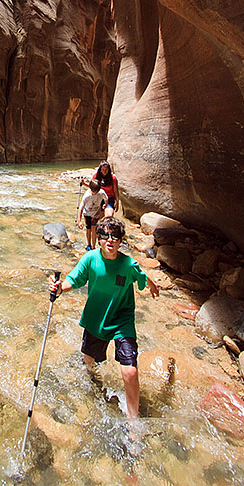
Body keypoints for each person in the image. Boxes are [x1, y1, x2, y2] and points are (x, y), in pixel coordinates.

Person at [49, 216, 159, 419]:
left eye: (115, 236)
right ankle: (94, 391)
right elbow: (74, 280)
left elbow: (142, 275)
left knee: (130, 371)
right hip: (96, 319)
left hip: (122, 321)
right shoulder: (90, 259)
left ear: (121, 240)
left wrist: (152, 284)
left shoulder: (128, 264)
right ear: (98, 238)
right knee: (90, 363)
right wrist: (59, 289)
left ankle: (133, 420)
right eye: (105, 236)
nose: (110, 240)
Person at [78, 179, 108, 250]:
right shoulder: (87, 196)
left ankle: (94, 247)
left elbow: (106, 199)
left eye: (97, 191)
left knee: (94, 229)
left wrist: (105, 205)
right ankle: (89, 244)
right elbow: (81, 208)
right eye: (94, 191)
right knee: (88, 229)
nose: (95, 193)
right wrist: (79, 221)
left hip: (96, 213)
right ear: (90, 189)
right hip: (87, 214)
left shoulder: (101, 193)